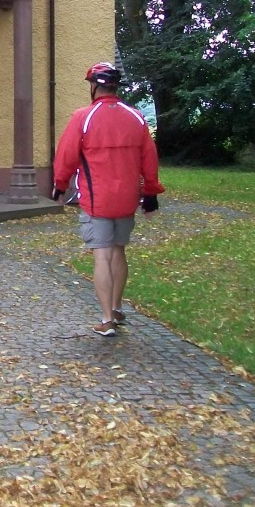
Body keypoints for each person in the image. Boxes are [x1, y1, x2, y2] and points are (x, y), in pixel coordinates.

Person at [52, 62, 164, 336]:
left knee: (101, 255)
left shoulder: (83, 117)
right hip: (127, 198)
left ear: (94, 87)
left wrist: (59, 185)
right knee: (119, 250)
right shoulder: (136, 117)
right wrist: (150, 193)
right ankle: (116, 308)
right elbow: (149, 160)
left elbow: (66, 155)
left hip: (96, 198)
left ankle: (106, 320)